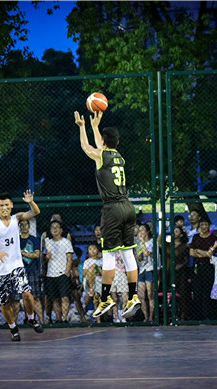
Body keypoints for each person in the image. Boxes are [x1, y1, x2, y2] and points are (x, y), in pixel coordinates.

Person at [75, 110, 141, 319]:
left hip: (112, 209)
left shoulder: (101, 156)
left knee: (110, 254)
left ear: (103, 142)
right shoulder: (119, 157)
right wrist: (95, 127)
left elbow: (86, 147)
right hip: (128, 207)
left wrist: (82, 127)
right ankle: (133, 296)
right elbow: (102, 146)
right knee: (128, 253)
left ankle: (105, 298)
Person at [0, 191, 43, 341]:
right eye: (1, 205)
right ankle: (13, 328)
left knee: (27, 294)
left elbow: (35, 212)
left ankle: (31, 318)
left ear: (12, 206)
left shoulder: (17, 218)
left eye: (7, 205)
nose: (4, 208)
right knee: (5, 302)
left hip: (15, 265)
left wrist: (30, 202)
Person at [43, 220, 74, 323]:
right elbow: (44, 259)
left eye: (57, 227)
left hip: (62, 273)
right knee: (54, 298)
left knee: (65, 298)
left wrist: (67, 271)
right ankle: (58, 318)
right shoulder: (48, 242)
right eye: (53, 227)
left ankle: (64, 319)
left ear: (61, 230)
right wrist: (47, 258)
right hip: (50, 274)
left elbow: (70, 258)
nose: (55, 229)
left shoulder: (66, 242)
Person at [189, 219, 217, 320]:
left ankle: (209, 315)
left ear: (209, 226)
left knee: (208, 290)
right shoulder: (196, 237)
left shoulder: (213, 238)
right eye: (202, 224)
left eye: (205, 224)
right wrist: (205, 253)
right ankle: (198, 315)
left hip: (209, 266)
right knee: (197, 291)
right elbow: (191, 252)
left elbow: (212, 254)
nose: (203, 227)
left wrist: (199, 251)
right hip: (197, 266)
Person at [19, 219, 44, 324]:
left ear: (29, 226)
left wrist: (22, 253)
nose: (24, 227)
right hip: (19, 271)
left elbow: (36, 254)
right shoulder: (16, 240)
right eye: (21, 225)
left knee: (36, 297)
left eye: (26, 224)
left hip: (32, 270)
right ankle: (28, 319)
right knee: (23, 297)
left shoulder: (34, 239)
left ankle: (42, 321)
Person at [136, 224, 155, 321]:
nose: (140, 232)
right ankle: (145, 317)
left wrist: (143, 243)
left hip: (150, 269)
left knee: (150, 294)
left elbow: (147, 253)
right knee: (141, 295)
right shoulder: (138, 244)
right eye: (139, 230)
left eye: (142, 230)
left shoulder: (152, 242)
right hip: (142, 270)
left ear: (147, 231)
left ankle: (151, 317)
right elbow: (140, 257)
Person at [82, 244, 103, 322]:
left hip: (99, 280)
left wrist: (98, 269)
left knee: (96, 298)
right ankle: (91, 288)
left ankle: (98, 319)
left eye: (94, 249)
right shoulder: (87, 261)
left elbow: (103, 273)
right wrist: (92, 269)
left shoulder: (102, 261)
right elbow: (84, 274)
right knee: (91, 268)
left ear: (98, 250)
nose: (93, 251)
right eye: (90, 249)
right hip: (90, 281)